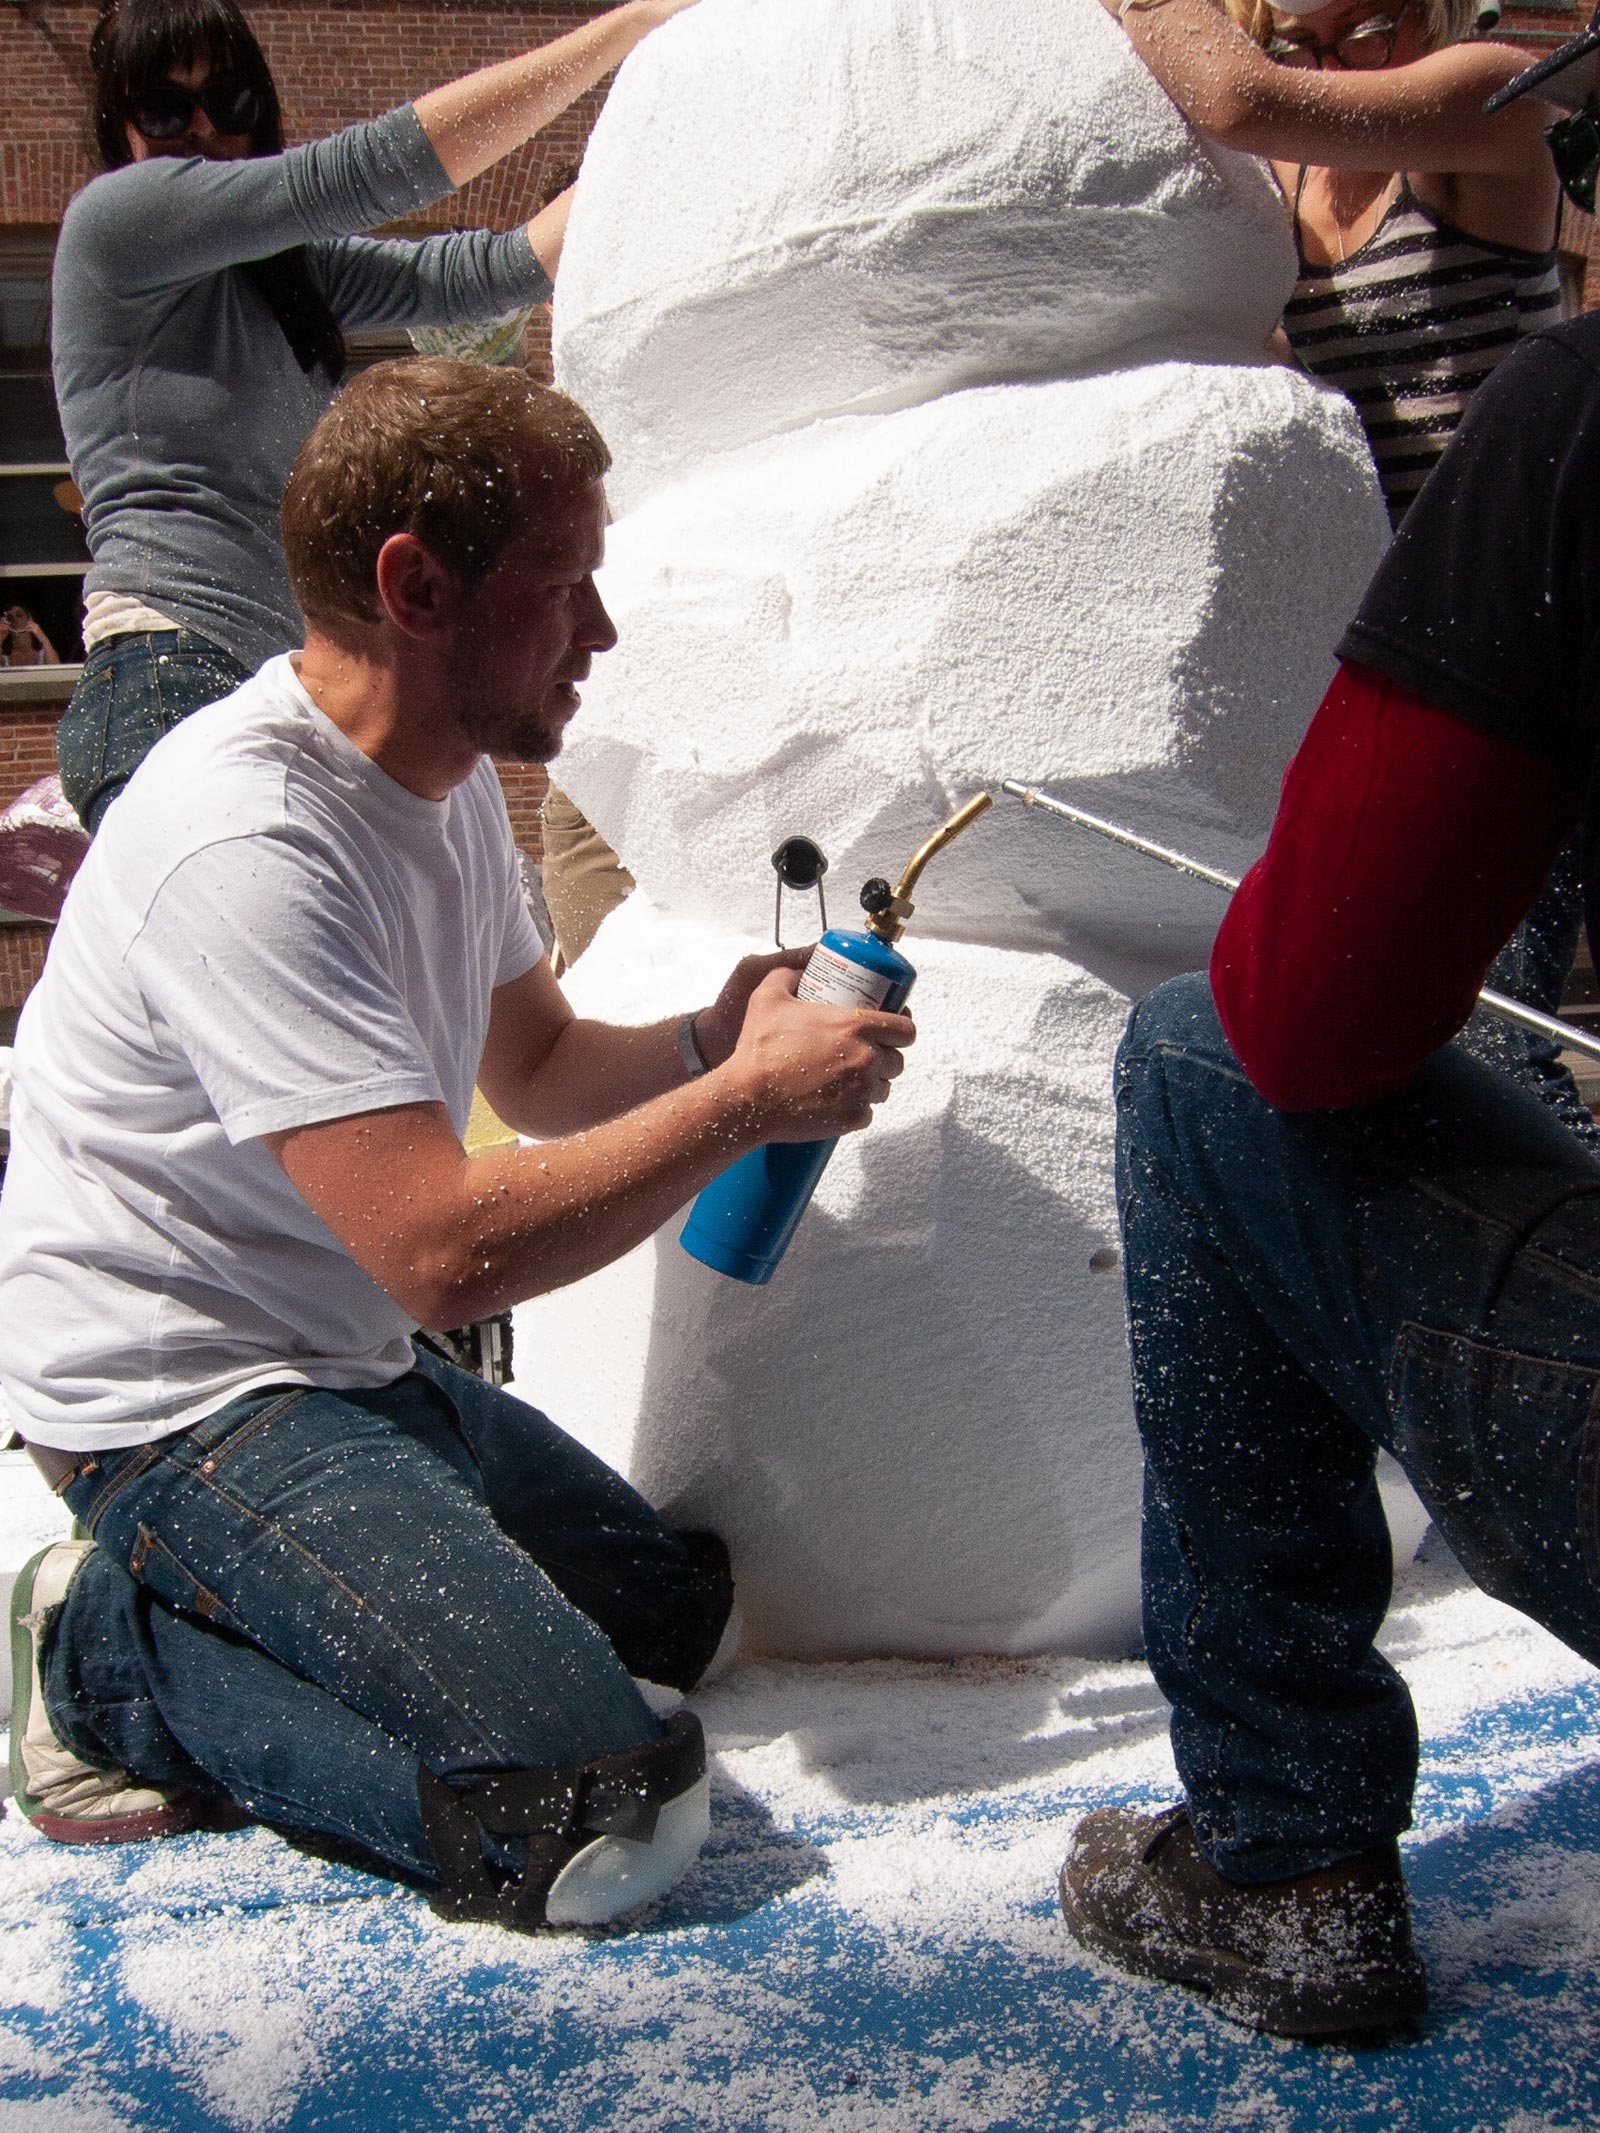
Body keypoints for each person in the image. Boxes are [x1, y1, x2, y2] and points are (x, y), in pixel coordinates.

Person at [1, 359, 914, 1932]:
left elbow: (546, 1067)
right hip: (175, 1399)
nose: (602, 632)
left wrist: (713, 1036)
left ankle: (251, 1602)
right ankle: (101, 1655)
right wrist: (751, 1104)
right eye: (566, 586)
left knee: (672, 1616)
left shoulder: (439, 789)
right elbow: (441, 1253)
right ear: (415, 588)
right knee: (589, 1808)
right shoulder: (246, 842)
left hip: (338, 1360)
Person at [1057, 24, 1600, 2043]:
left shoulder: (1492, 170)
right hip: (1428, 686)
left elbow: (1302, 1020)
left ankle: (1280, 1849)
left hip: (1480, 705)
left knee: (1221, 1059)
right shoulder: (1302, 202)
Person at [1108, 0, 1593, 1140]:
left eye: (1363, 30)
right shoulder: (1282, 179)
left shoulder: (1490, 97)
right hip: (1381, 653)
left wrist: (1149, 9)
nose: (1331, 65)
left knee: (1497, 1019)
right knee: (1396, 1020)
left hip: (1512, 646)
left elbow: (1233, 95)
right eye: (1301, 41)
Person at [52, 0, 696, 834]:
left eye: (231, 101)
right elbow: (370, 170)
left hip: (282, 687)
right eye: (167, 110)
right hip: (167, 672)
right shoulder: (116, 225)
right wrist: (629, 28)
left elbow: (484, 272)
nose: (205, 130)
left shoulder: (272, 277)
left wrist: (670, 115)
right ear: (120, 126)